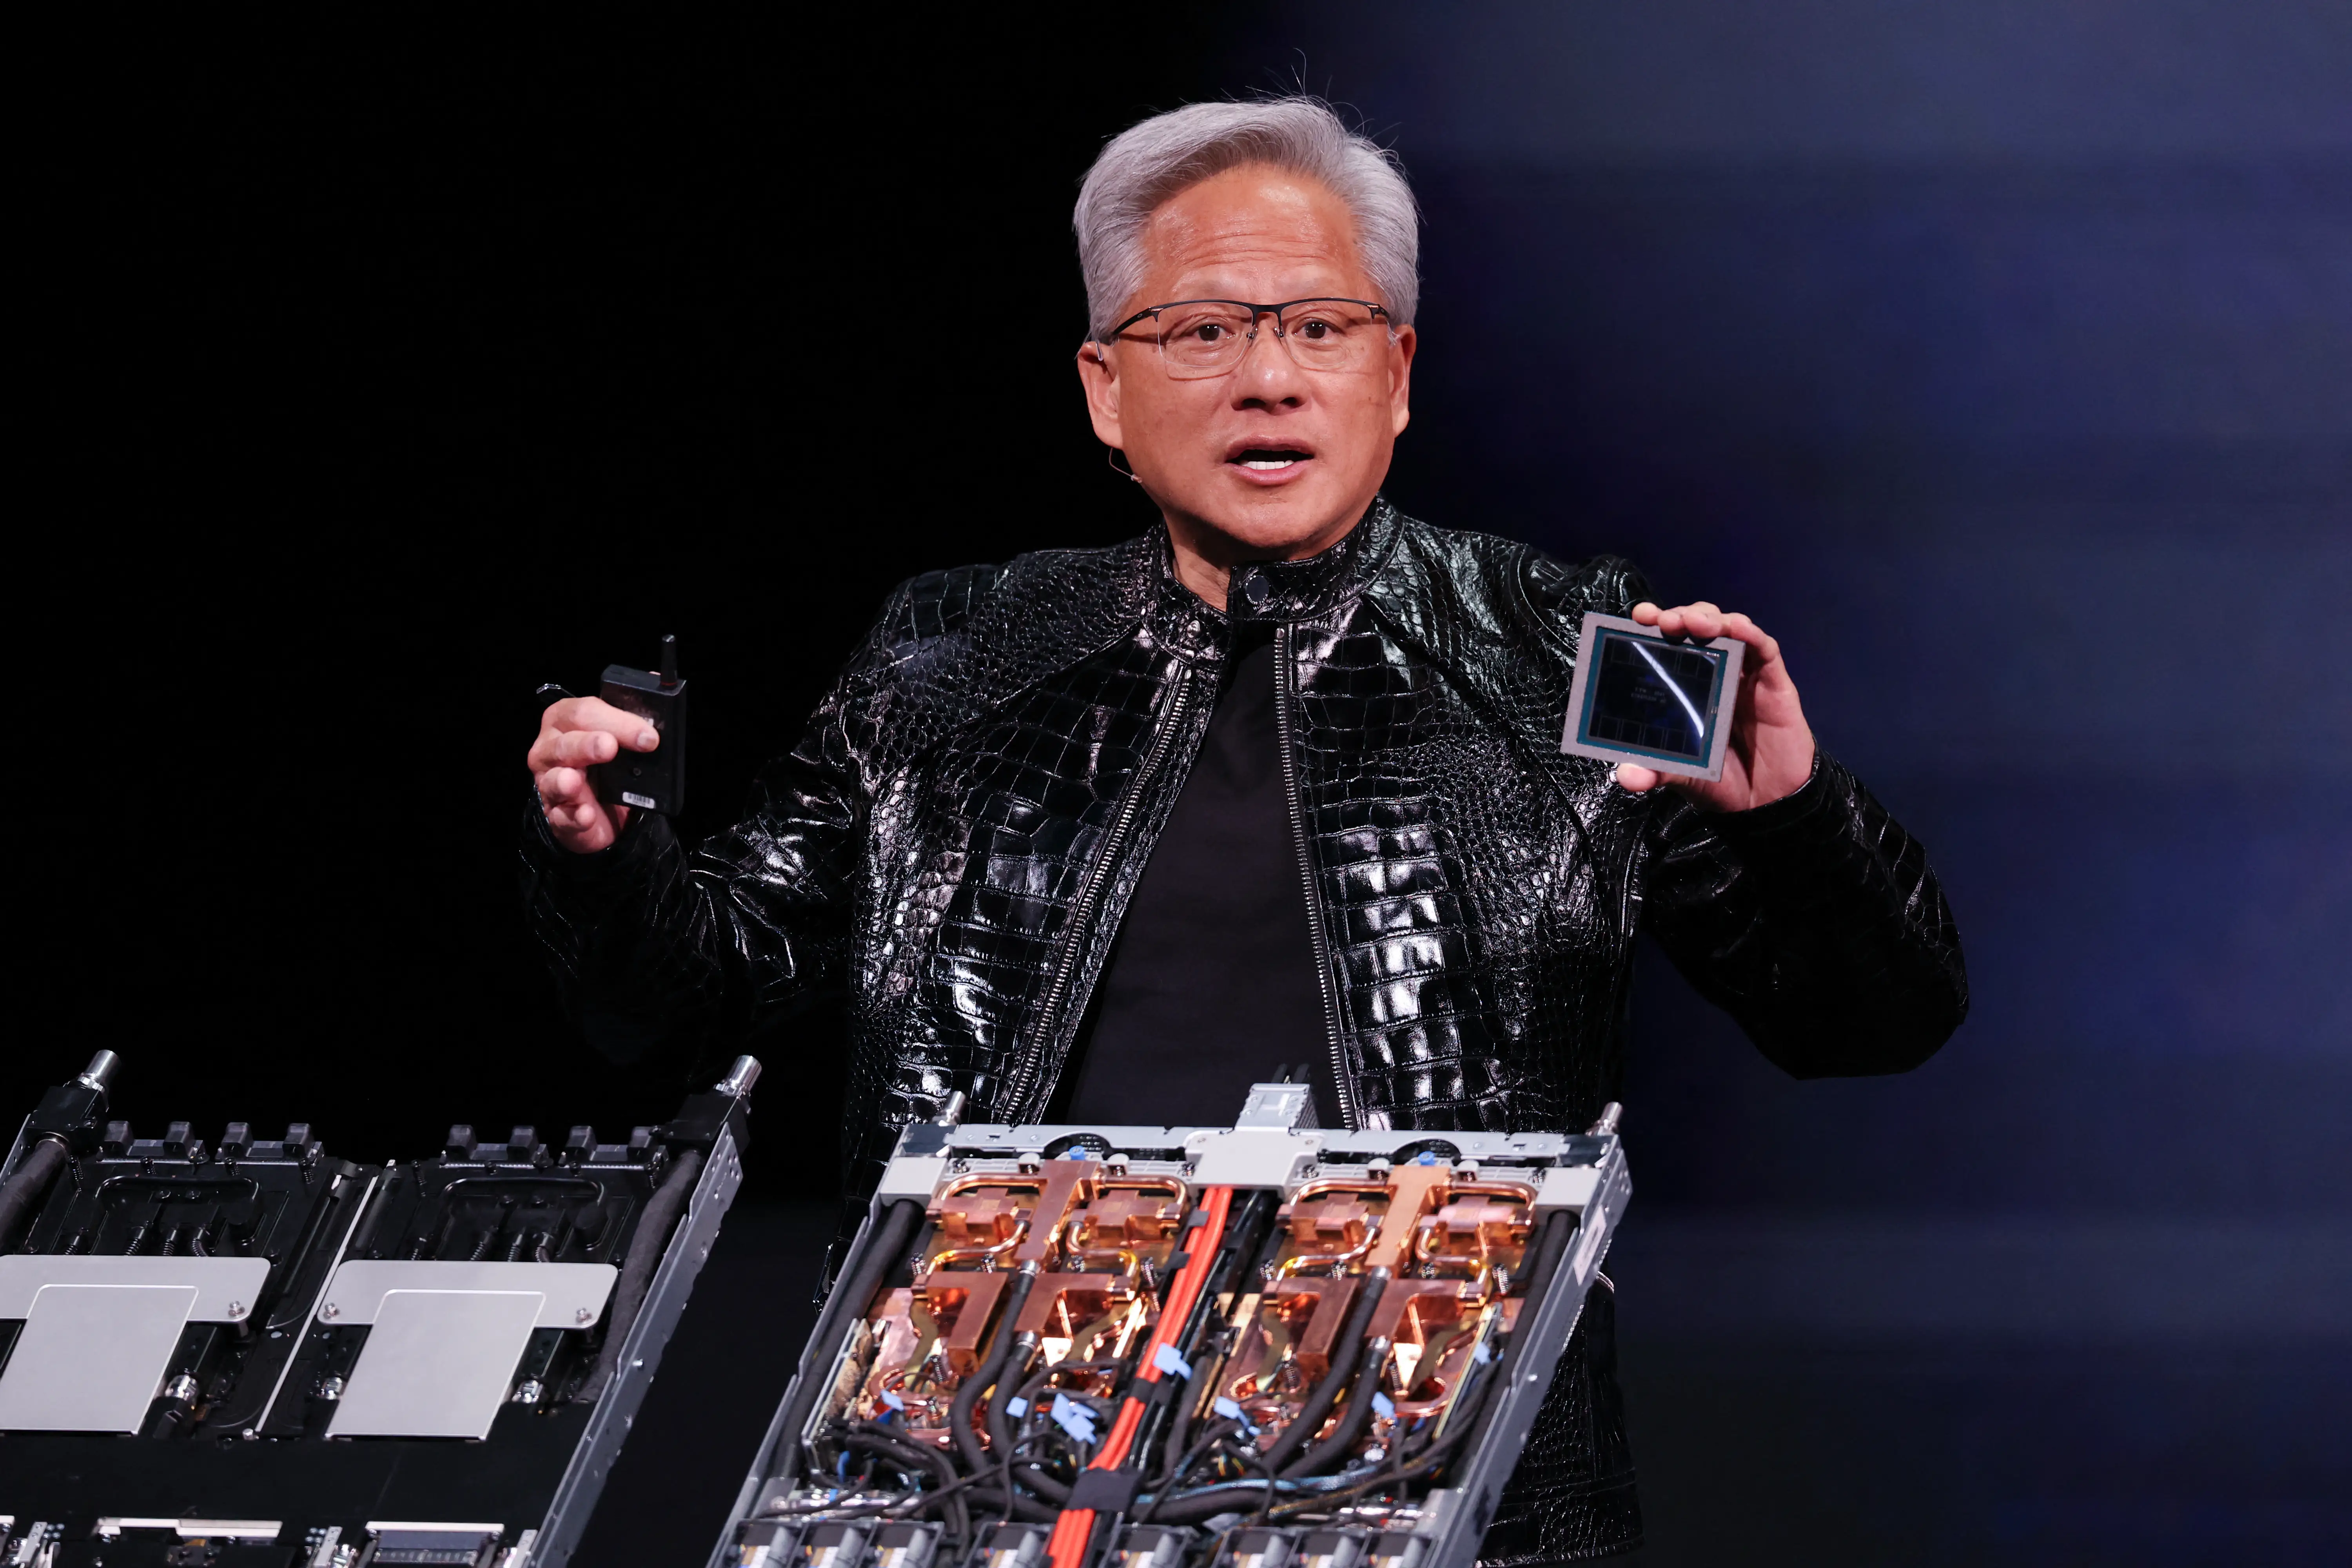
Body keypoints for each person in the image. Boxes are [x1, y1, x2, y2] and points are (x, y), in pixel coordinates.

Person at [521, 98, 1965, 1564]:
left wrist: (1793, 818)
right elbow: (685, 1001)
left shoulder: (1561, 654)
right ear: (1103, 390)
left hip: (1439, 1484)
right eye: (1201, 333)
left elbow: (1871, 1020)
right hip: (986, 1485)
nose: (1267, 380)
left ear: (1397, 375)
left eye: (1322, 328)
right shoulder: (954, 657)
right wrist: (604, 855)